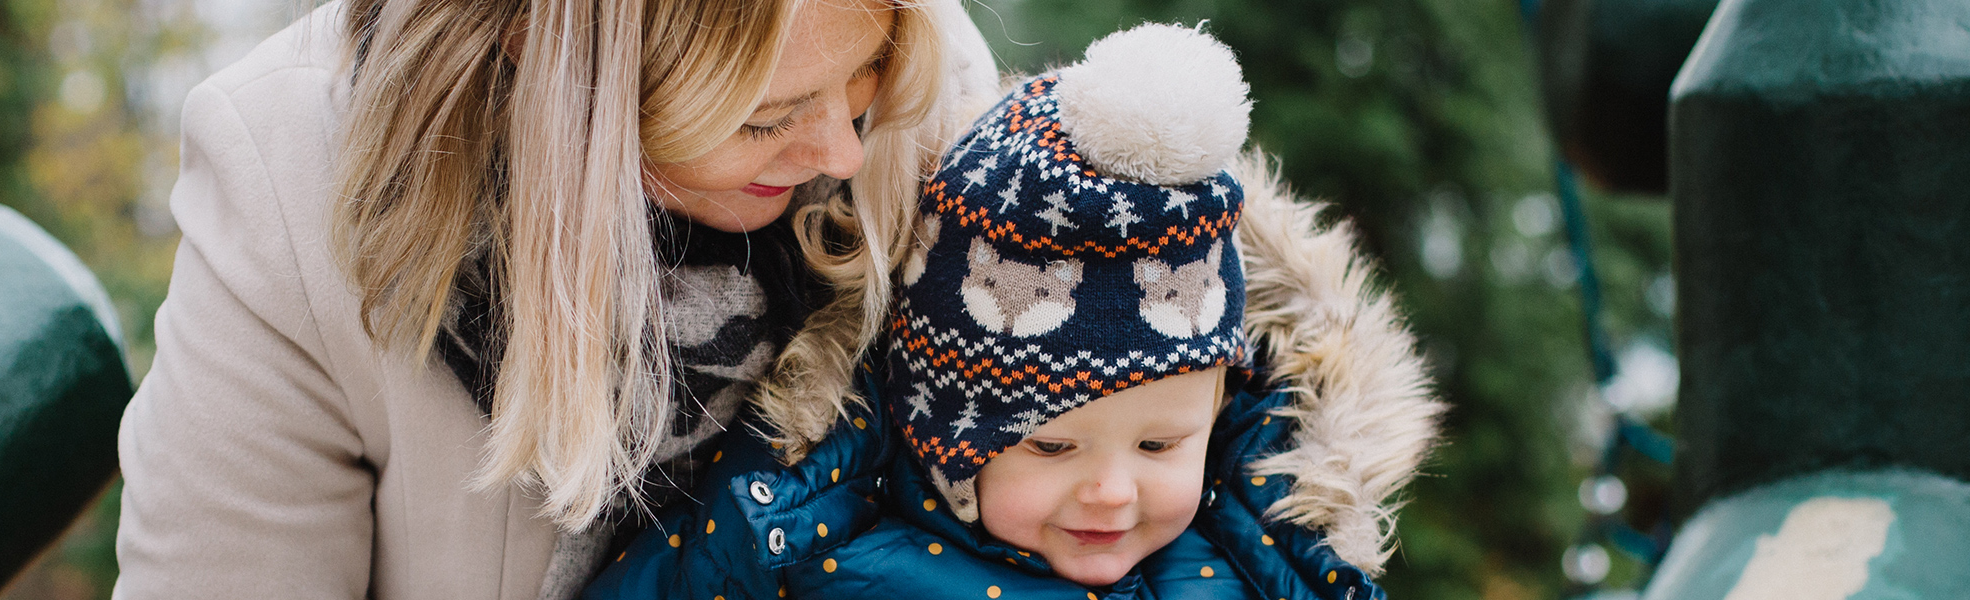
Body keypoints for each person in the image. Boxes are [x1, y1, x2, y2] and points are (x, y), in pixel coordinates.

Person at [112, 0, 1002, 597]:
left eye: (866, 75)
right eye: (765, 119)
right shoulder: (290, 185)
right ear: (549, 64)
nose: (843, 154)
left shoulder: (943, 104)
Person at [583, 25, 1446, 599]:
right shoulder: (799, 532)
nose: (1113, 490)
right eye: (1050, 444)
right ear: (943, 430)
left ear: (1218, 414)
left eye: (1160, 444)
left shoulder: (1271, 559)